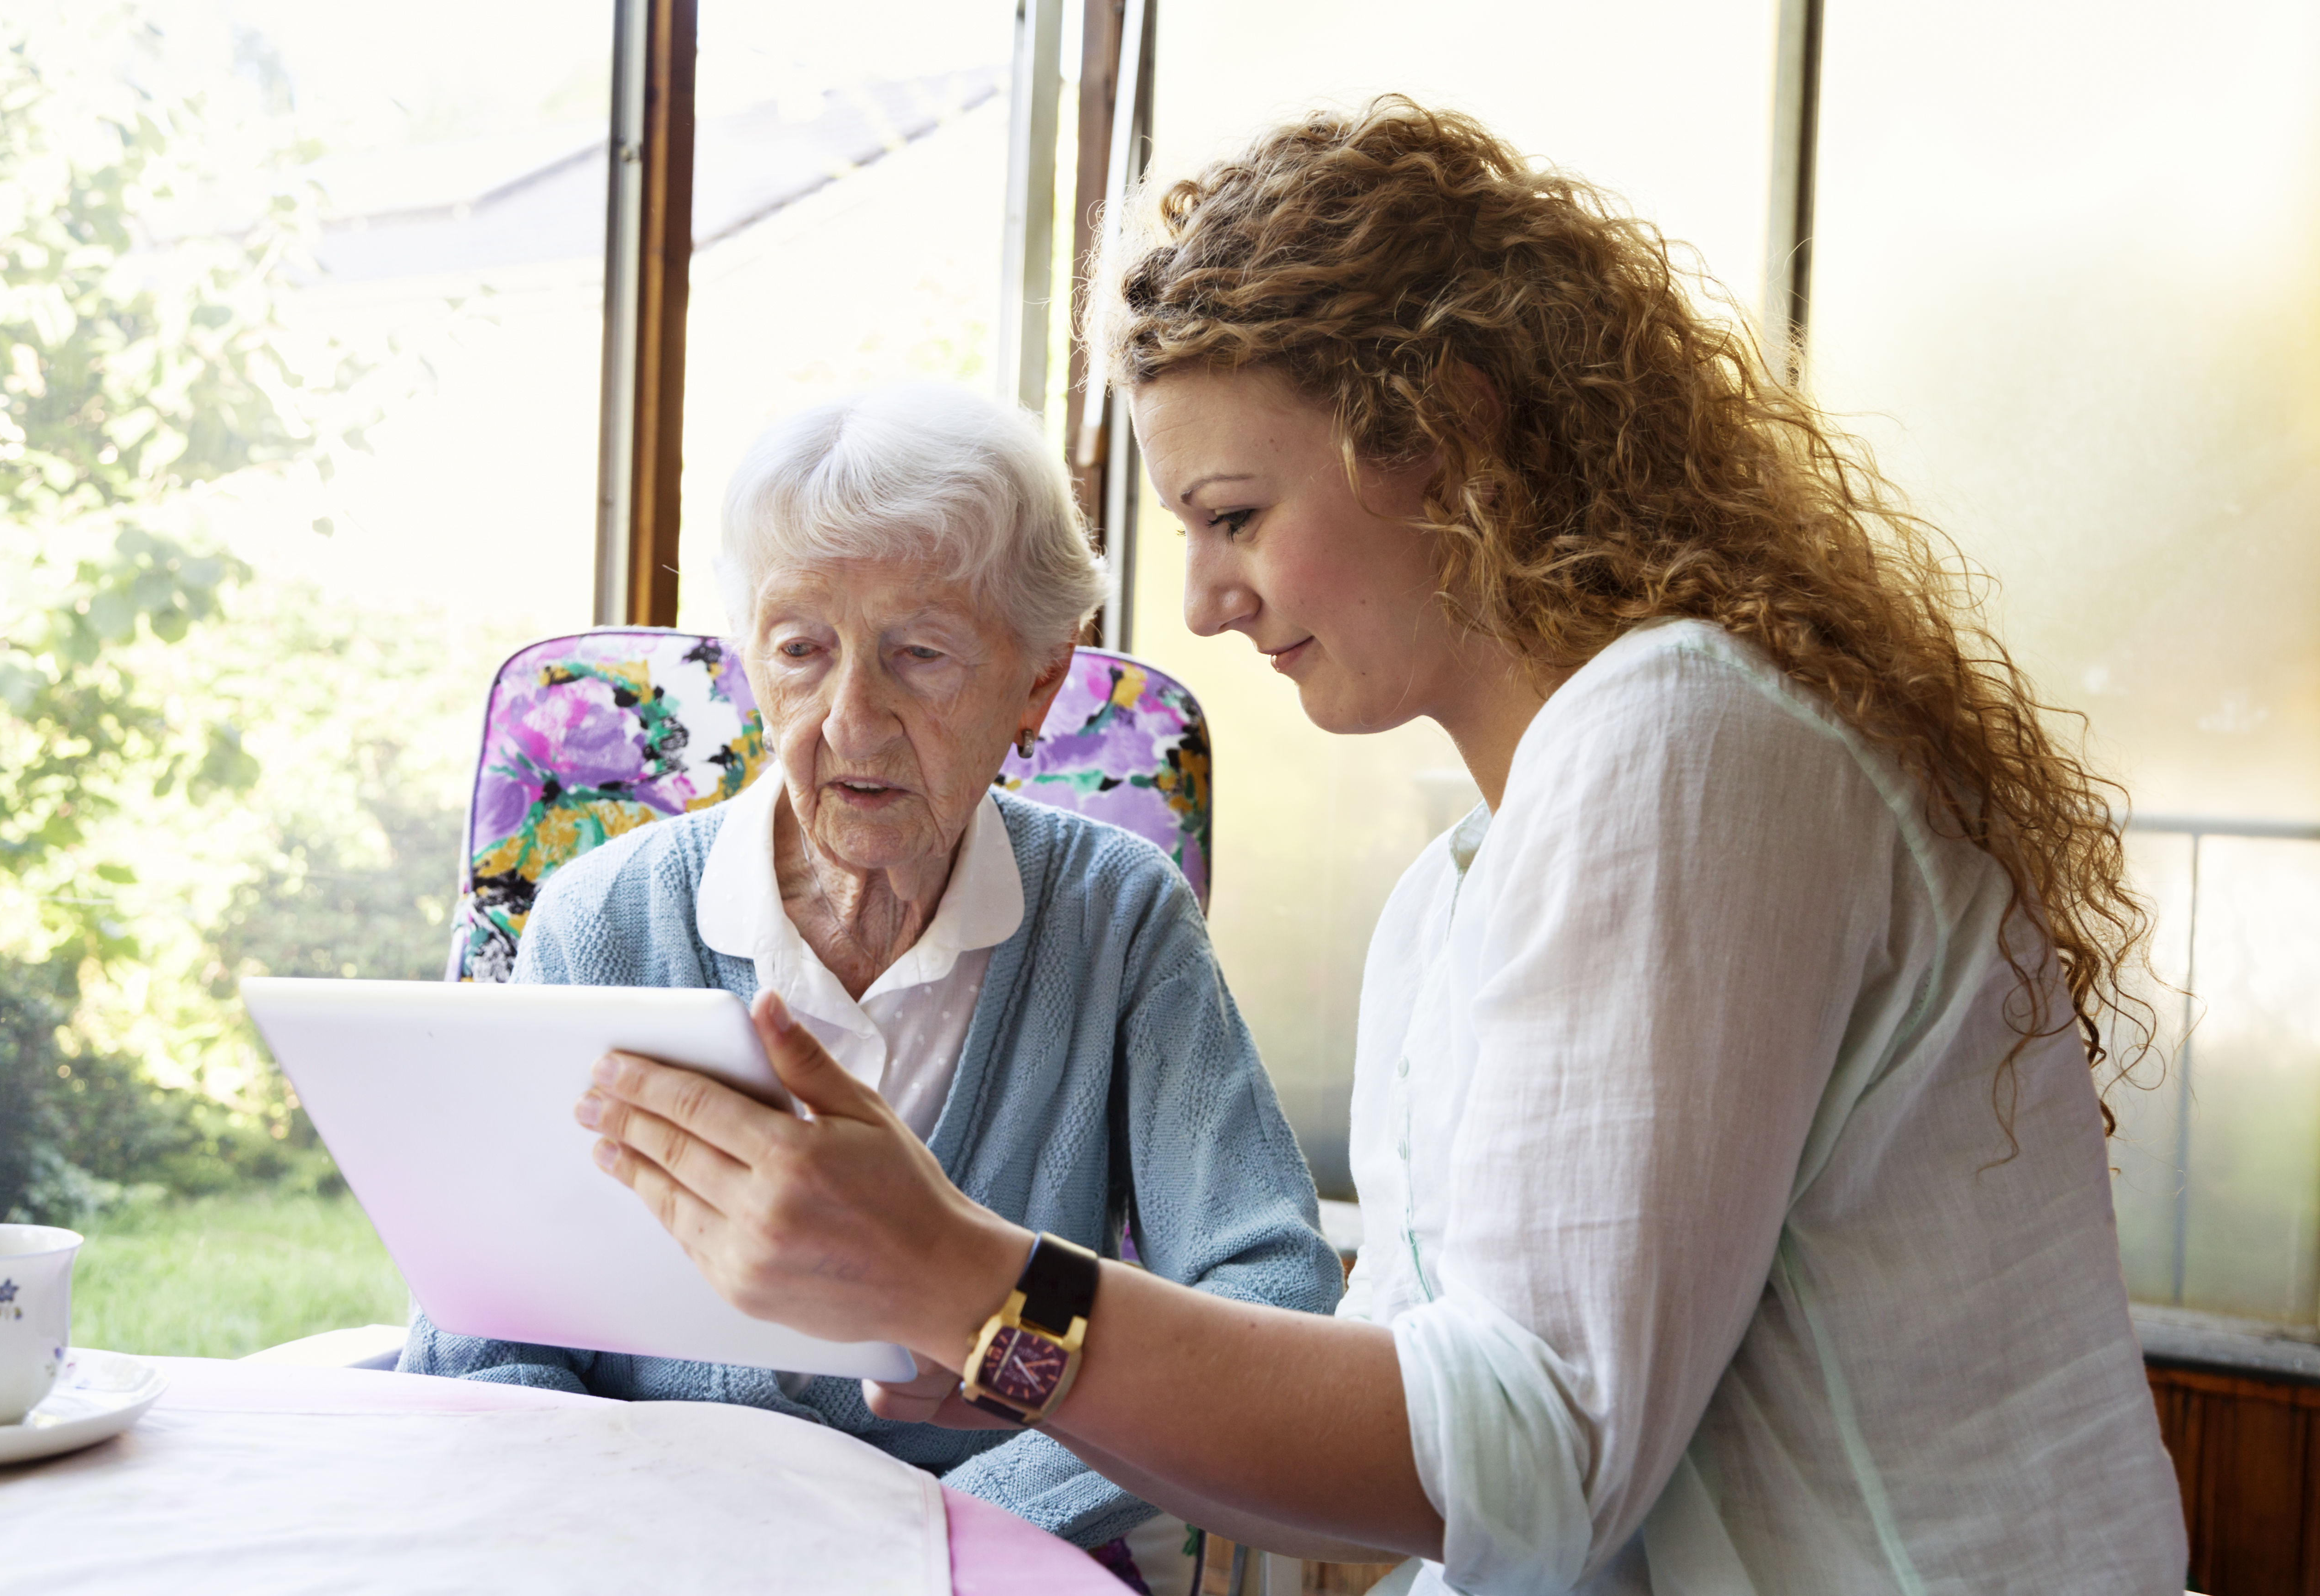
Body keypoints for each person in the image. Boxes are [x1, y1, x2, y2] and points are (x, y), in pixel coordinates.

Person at [568, 102, 2190, 1592]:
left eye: (1232, 515)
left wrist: (973, 1282)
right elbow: (1379, 1459)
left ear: (1450, 433)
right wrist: (993, 1337)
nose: (1200, 603)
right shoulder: (1457, 898)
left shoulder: (1686, 741)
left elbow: (1538, 1455)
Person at [399, 382, 1346, 1569]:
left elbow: (1273, 1292)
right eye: (802, 651)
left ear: (1038, 685)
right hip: (644, 1550)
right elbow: (486, 1321)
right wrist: (631, 1533)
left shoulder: (1117, 918)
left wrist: (963, 1525)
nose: (851, 719)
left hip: (981, 1556)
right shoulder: (602, 921)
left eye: (921, 655)